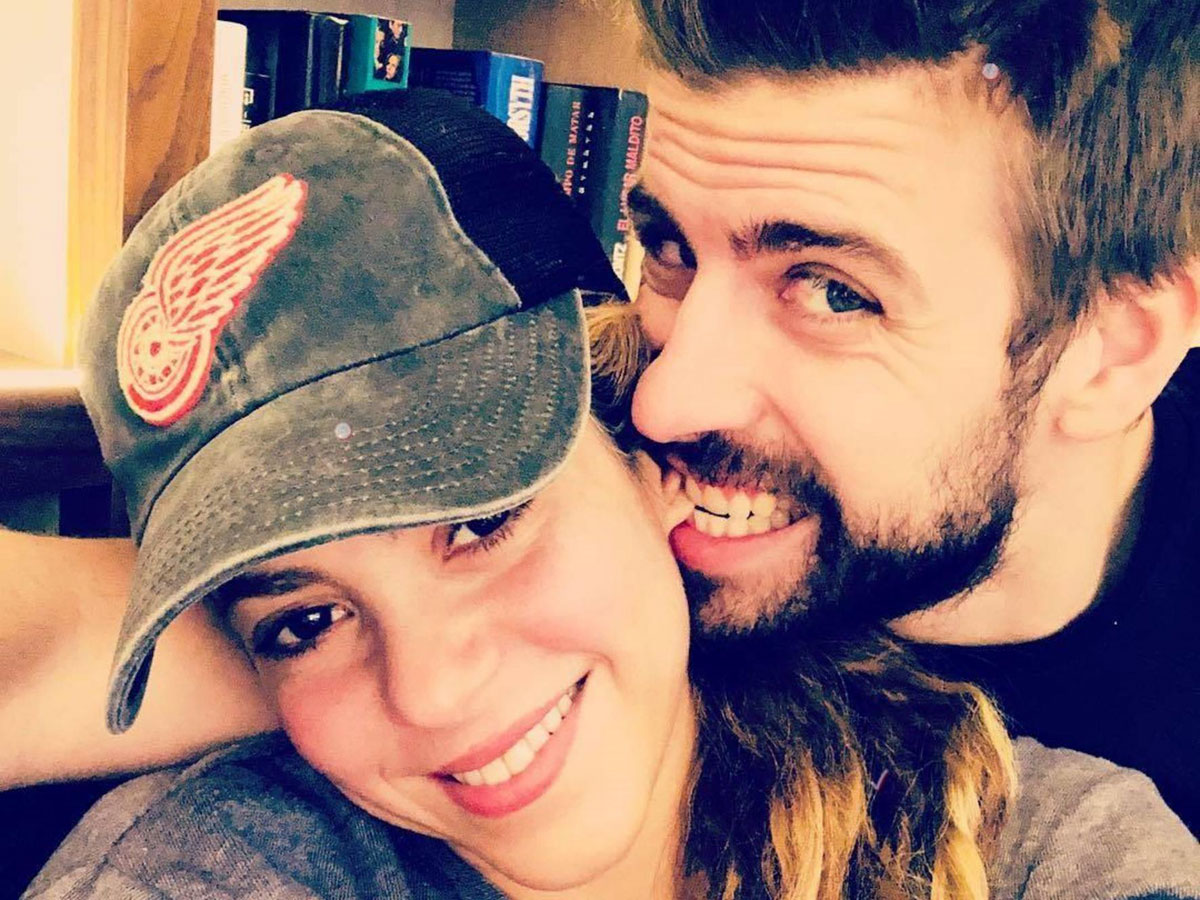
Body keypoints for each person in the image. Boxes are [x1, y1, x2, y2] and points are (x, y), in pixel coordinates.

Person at [17, 92, 1200, 899]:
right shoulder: (234, 854)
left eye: (481, 517)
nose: (680, 394)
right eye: (300, 620)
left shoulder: (1032, 842)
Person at [623, 0, 1199, 831]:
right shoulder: (561, 535)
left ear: (1112, 355)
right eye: (672, 249)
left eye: (833, 293)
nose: (663, 403)